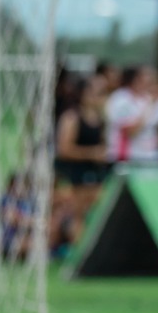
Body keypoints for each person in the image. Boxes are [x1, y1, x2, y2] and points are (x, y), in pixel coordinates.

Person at [52, 68, 111, 253]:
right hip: (75, 171)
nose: (98, 96)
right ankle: (79, 253)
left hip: (95, 171)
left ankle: (90, 250)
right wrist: (91, 153)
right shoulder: (72, 117)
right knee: (76, 214)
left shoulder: (100, 119)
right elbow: (63, 149)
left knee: (96, 211)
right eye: (94, 91)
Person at [105, 65, 158, 166]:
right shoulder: (120, 99)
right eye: (146, 75)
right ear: (135, 79)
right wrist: (148, 109)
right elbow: (130, 131)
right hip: (127, 158)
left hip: (149, 157)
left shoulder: (147, 98)